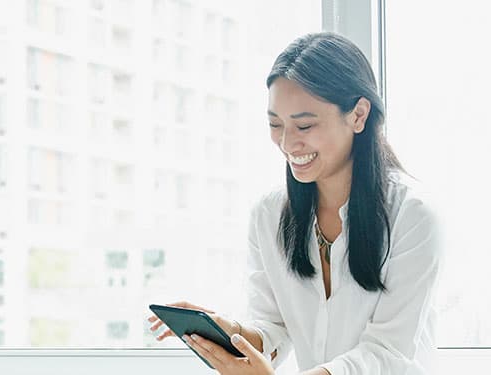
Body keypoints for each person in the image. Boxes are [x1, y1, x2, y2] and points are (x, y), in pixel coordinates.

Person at [148, 32, 442, 374]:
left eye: (304, 124)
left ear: (359, 115)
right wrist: (233, 335)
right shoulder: (269, 215)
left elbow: (388, 353)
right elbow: (275, 327)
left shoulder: (413, 215)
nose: (288, 143)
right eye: (275, 124)